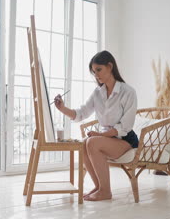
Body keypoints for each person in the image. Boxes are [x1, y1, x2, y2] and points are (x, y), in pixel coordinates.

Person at [54, 50, 138, 201]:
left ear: (110, 66)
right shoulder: (98, 93)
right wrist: (62, 108)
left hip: (126, 140)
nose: (96, 75)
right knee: (84, 143)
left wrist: (100, 135)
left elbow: (125, 127)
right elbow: (81, 114)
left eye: (99, 70)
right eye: (94, 72)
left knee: (92, 141)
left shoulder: (128, 92)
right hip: (107, 139)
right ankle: (100, 187)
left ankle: (106, 191)